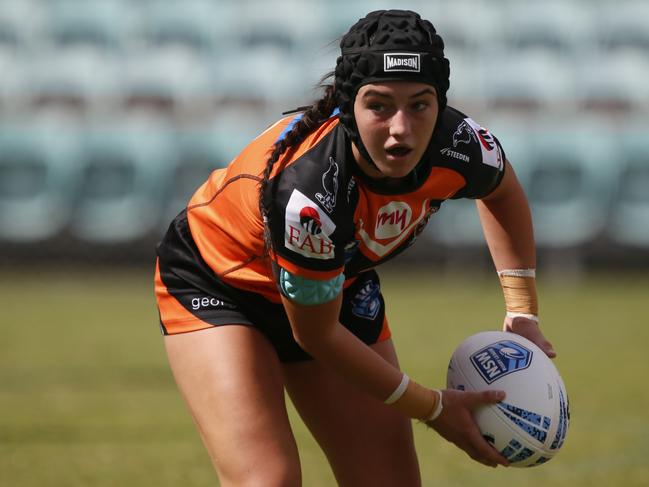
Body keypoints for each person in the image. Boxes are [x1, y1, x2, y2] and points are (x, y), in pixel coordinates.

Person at [154, 9, 556, 486]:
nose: (401, 128)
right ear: (347, 105)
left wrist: (522, 312)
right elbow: (317, 337)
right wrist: (434, 407)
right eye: (379, 105)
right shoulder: (310, 193)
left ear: (440, 104)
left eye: (420, 105)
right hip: (220, 283)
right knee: (269, 480)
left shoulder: (460, 143)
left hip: (328, 287)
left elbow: (502, 192)